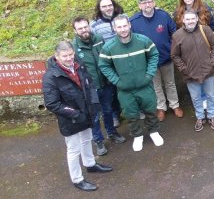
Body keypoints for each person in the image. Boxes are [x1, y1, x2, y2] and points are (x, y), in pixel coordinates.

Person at [43, 41, 113, 192]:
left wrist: (94, 104)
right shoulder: (50, 76)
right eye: (65, 56)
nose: (69, 58)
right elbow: (52, 104)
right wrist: (75, 114)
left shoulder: (79, 66)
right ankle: (77, 179)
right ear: (57, 56)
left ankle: (90, 164)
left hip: (86, 113)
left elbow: (90, 85)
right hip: (70, 118)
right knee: (73, 150)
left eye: (70, 54)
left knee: (87, 140)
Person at [98, 15, 163, 152]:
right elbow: (103, 65)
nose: (123, 29)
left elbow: (154, 55)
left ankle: (154, 131)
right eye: (119, 27)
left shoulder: (143, 40)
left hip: (145, 85)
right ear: (114, 28)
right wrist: (117, 81)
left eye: (124, 26)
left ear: (129, 25)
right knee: (130, 114)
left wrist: (149, 74)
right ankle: (137, 136)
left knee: (151, 110)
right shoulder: (109, 47)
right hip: (125, 89)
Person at [71, 17, 126, 158]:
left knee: (108, 110)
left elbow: (108, 58)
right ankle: (98, 141)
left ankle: (112, 132)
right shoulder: (74, 48)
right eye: (80, 28)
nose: (84, 30)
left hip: (105, 83)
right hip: (90, 88)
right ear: (75, 31)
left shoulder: (99, 39)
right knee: (94, 116)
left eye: (85, 27)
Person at [130, 0, 182, 122]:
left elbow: (174, 32)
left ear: (154, 3)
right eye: (144, 3)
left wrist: (171, 48)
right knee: (156, 86)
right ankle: (161, 107)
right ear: (139, 5)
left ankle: (175, 105)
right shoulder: (134, 22)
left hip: (166, 57)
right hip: (148, 62)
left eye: (149, 2)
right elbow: (133, 42)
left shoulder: (163, 16)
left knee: (170, 83)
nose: (147, 5)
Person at [171, 10, 214, 131]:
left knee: (211, 95)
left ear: (197, 19)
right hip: (190, 74)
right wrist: (184, 69)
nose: (190, 21)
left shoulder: (206, 30)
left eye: (193, 18)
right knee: (196, 97)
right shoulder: (177, 35)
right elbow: (175, 55)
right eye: (188, 19)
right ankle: (200, 117)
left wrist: (213, 63)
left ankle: (212, 115)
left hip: (208, 71)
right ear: (183, 20)